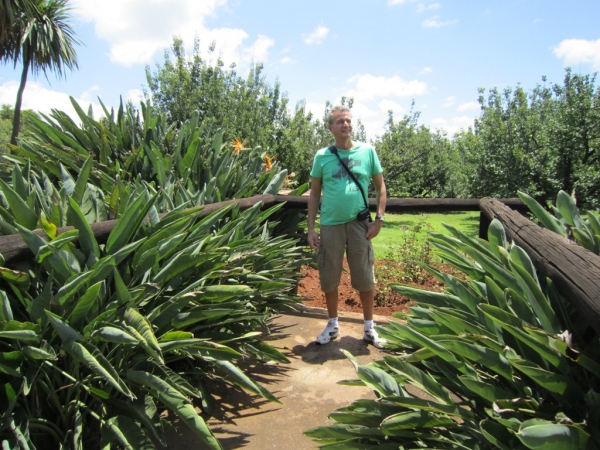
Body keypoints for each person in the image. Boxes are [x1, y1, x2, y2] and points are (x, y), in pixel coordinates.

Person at [307, 105, 387, 348]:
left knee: (364, 276)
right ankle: (332, 325)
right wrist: (311, 228)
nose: (346, 125)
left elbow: (381, 187)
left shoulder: (368, 152)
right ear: (331, 127)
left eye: (349, 121)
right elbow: (314, 193)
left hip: (359, 225)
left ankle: (369, 328)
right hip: (330, 225)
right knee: (329, 276)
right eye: (340, 121)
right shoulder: (322, 156)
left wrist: (379, 220)